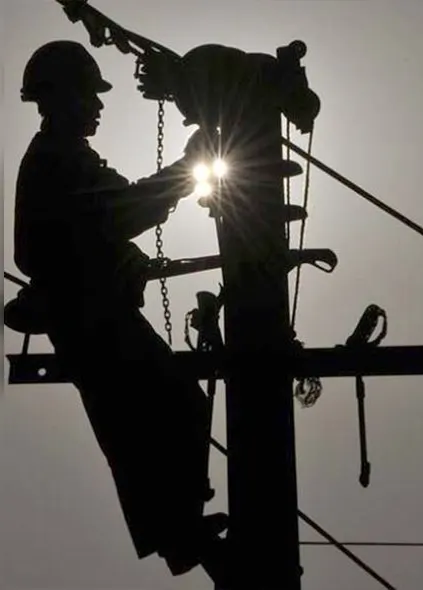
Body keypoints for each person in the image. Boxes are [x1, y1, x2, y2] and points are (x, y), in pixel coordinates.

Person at [14, 40, 229, 581]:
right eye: (91, 94)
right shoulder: (55, 161)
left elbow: (97, 222)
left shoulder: (61, 160)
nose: (99, 106)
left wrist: (119, 255)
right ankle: (179, 532)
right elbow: (121, 210)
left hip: (89, 314)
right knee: (163, 410)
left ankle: (179, 530)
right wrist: (188, 167)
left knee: (151, 418)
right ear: (61, 97)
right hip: (89, 318)